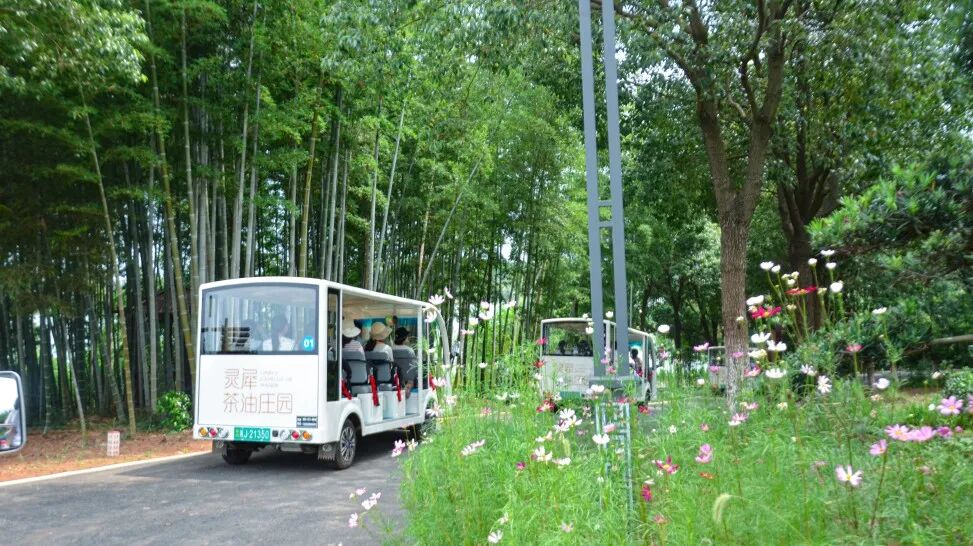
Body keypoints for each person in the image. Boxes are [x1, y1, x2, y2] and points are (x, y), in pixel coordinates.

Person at [392, 327, 417, 395]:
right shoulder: (409, 350)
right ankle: (407, 389)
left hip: (394, 379)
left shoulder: (391, 349)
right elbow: (414, 368)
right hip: (407, 379)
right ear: (404, 338)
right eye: (407, 337)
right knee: (411, 381)